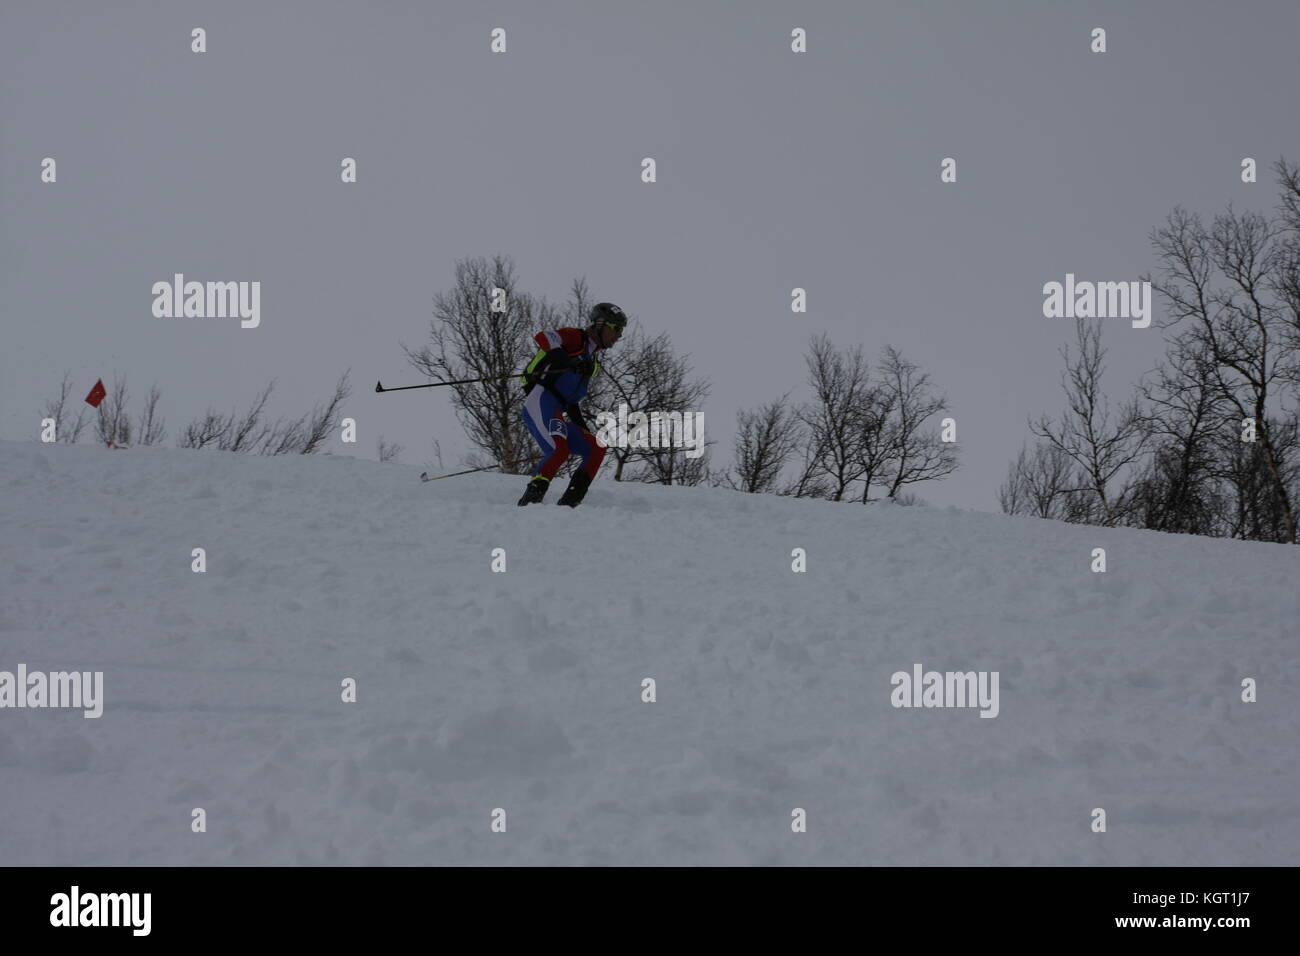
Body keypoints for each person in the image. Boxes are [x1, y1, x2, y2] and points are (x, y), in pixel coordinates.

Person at [517, 302, 627, 507]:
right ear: (600, 324)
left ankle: (570, 503)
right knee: (559, 451)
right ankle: (530, 502)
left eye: (621, 331)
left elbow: (572, 403)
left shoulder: (590, 364)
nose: (619, 335)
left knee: (597, 447)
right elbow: (543, 337)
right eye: (616, 328)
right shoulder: (576, 337)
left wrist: (584, 430)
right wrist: (566, 360)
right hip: (540, 400)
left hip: (557, 408)